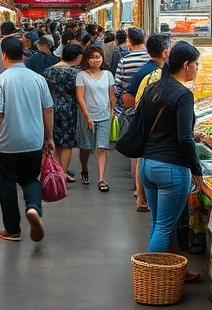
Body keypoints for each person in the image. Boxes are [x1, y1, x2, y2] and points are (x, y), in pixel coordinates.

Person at [136, 41, 203, 282]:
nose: (197, 68)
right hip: (171, 169)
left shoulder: (153, 89)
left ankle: (177, 270)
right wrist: (196, 170)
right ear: (186, 65)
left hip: (147, 165)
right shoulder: (183, 94)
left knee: (161, 222)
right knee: (165, 226)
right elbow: (184, 137)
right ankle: (152, 277)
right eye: (196, 64)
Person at [0, 37, 54, 242]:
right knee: (30, 179)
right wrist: (48, 138)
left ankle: (12, 229)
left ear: (4, 56)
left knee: (6, 185)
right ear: (23, 54)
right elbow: (48, 110)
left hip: (6, 144)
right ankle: (33, 208)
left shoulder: (1, 81)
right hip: (33, 141)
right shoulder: (37, 79)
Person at [114, 28, 151, 211]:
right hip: (151, 109)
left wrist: (119, 108)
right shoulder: (151, 61)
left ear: (129, 41)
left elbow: (118, 85)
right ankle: (144, 188)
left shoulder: (124, 60)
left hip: (130, 109)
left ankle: (138, 187)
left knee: (135, 149)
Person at [75, 45, 116, 191]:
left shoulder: (108, 75)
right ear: (87, 59)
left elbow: (112, 96)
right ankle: (84, 169)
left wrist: (113, 113)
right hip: (87, 116)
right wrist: (87, 117)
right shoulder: (81, 76)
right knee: (86, 147)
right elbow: (80, 98)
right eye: (92, 57)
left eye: (98, 57)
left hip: (104, 116)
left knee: (102, 148)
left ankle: (101, 179)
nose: (95, 60)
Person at [42, 44, 83, 183]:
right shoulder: (75, 73)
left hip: (50, 109)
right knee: (66, 144)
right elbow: (79, 94)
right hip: (68, 111)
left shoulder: (48, 71)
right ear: (77, 57)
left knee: (53, 140)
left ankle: (54, 170)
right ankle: (63, 173)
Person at [124, 33, 172, 108]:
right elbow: (127, 98)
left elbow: (127, 97)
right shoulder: (161, 73)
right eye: (171, 49)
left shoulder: (142, 71)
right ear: (164, 53)